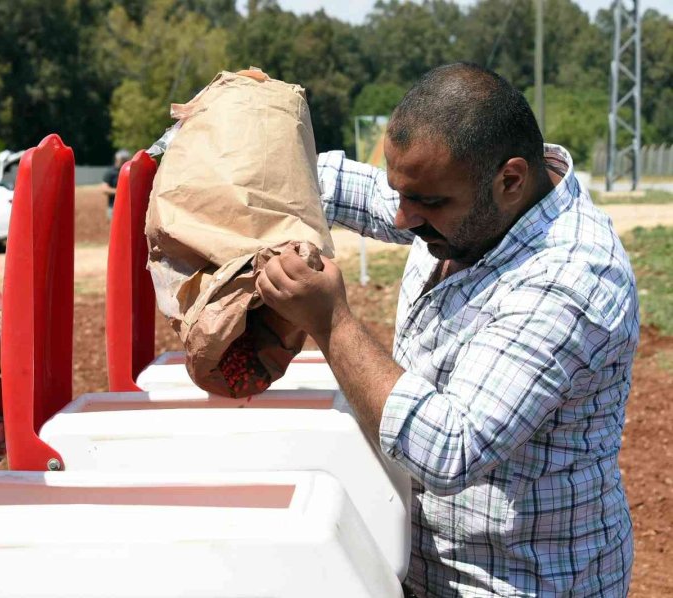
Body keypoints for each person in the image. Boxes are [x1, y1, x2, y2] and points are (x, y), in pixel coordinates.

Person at [257, 63, 637, 597]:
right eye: (402, 192)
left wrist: (331, 321)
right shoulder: (469, 200)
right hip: (431, 567)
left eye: (428, 203)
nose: (403, 218)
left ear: (510, 180)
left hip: (518, 581)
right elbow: (348, 188)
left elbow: (449, 448)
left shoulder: (570, 278)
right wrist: (216, 148)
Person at [102, 149, 131, 220]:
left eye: (125, 159)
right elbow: (105, 189)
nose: (123, 161)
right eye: (122, 159)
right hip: (113, 208)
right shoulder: (110, 172)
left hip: (129, 208)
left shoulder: (131, 171)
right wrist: (121, 192)